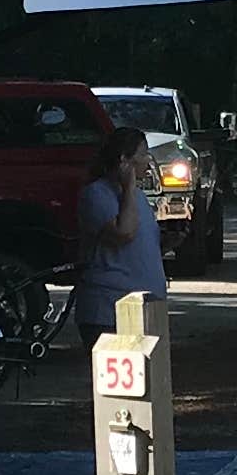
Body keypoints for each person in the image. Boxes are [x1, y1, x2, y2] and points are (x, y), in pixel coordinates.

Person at [75, 123, 166, 328]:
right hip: (109, 309)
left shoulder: (138, 197)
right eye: (143, 154)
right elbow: (124, 233)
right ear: (124, 160)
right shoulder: (96, 194)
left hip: (146, 309)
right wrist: (128, 187)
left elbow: (136, 248)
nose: (148, 160)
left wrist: (168, 241)